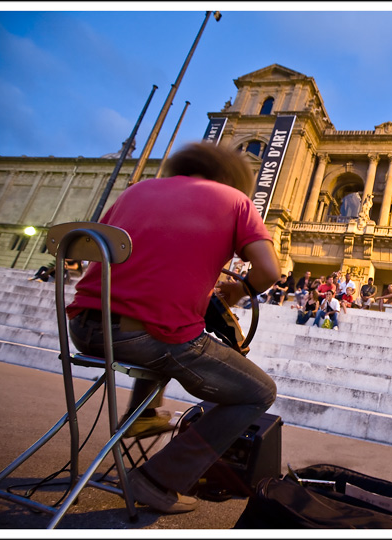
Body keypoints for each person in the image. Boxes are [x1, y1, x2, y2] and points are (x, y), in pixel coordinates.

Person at [66, 142, 280, 514]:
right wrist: (240, 289)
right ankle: (157, 480)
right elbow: (269, 272)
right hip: (143, 335)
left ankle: (144, 415)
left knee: (174, 332)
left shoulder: (138, 190)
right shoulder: (235, 201)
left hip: (83, 325)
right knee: (258, 391)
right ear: (233, 177)